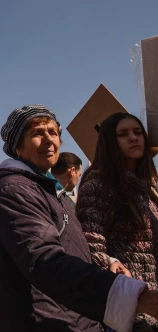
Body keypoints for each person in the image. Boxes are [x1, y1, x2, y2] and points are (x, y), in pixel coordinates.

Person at [0, 104, 158, 332]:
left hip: (75, 319)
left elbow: (74, 247)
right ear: (18, 147)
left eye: (53, 132)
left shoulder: (52, 192)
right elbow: (45, 261)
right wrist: (132, 295)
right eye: (37, 133)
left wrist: (108, 262)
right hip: (46, 321)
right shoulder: (14, 191)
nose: (48, 139)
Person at [76, 112, 158, 330]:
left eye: (138, 132)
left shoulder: (147, 187)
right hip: (130, 306)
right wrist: (113, 268)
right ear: (110, 142)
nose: (133, 138)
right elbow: (91, 243)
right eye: (123, 134)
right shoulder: (98, 182)